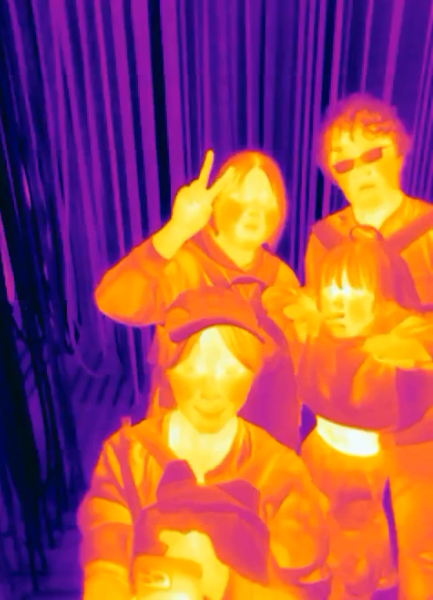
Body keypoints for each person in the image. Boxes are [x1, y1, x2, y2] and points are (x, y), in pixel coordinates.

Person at [78, 288, 330, 600]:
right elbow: (105, 545)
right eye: (193, 367)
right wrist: (107, 583)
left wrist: (223, 581)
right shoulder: (127, 457)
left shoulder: (281, 476)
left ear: (254, 372)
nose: (211, 390)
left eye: (231, 370)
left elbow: (305, 587)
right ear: (168, 366)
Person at [302, 93, 433, 598]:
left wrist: (409, 340)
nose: (360, 170)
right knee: (346, 552)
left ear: (401, 148)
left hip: (421, 427)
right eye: (344, 162)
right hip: (344, 423)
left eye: (372, 152)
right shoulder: (324, 238)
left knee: (423, 552)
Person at [94, 149, 300, 449]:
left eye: (265, 201)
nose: (254, 211)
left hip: (251, 444)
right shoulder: (184, 265)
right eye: (240, 198)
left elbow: (289, 378)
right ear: (215, 205)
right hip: (185, 435)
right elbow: (113, 300)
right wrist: (177, 230)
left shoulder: (281, 278)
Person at [264, 232, 433, 598]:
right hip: (319, 451)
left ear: (382, 297)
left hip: (370, 466)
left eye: (355, 291)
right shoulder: (318, 331)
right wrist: (305, 310)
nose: (338, 305)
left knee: (356, 555)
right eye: (332, 291)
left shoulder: (400, 335)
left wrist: (404, 347)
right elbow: (277, 299)